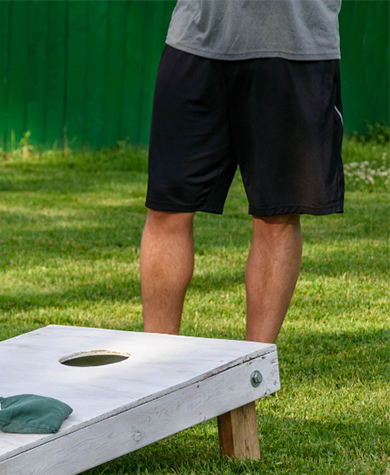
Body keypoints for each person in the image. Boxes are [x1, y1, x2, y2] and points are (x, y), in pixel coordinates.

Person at [141, 0, 344, 343]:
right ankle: (157, 374)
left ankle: (250, 385)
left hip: (297, 44)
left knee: (277, 217)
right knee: (167, 208)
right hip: (197, 36)